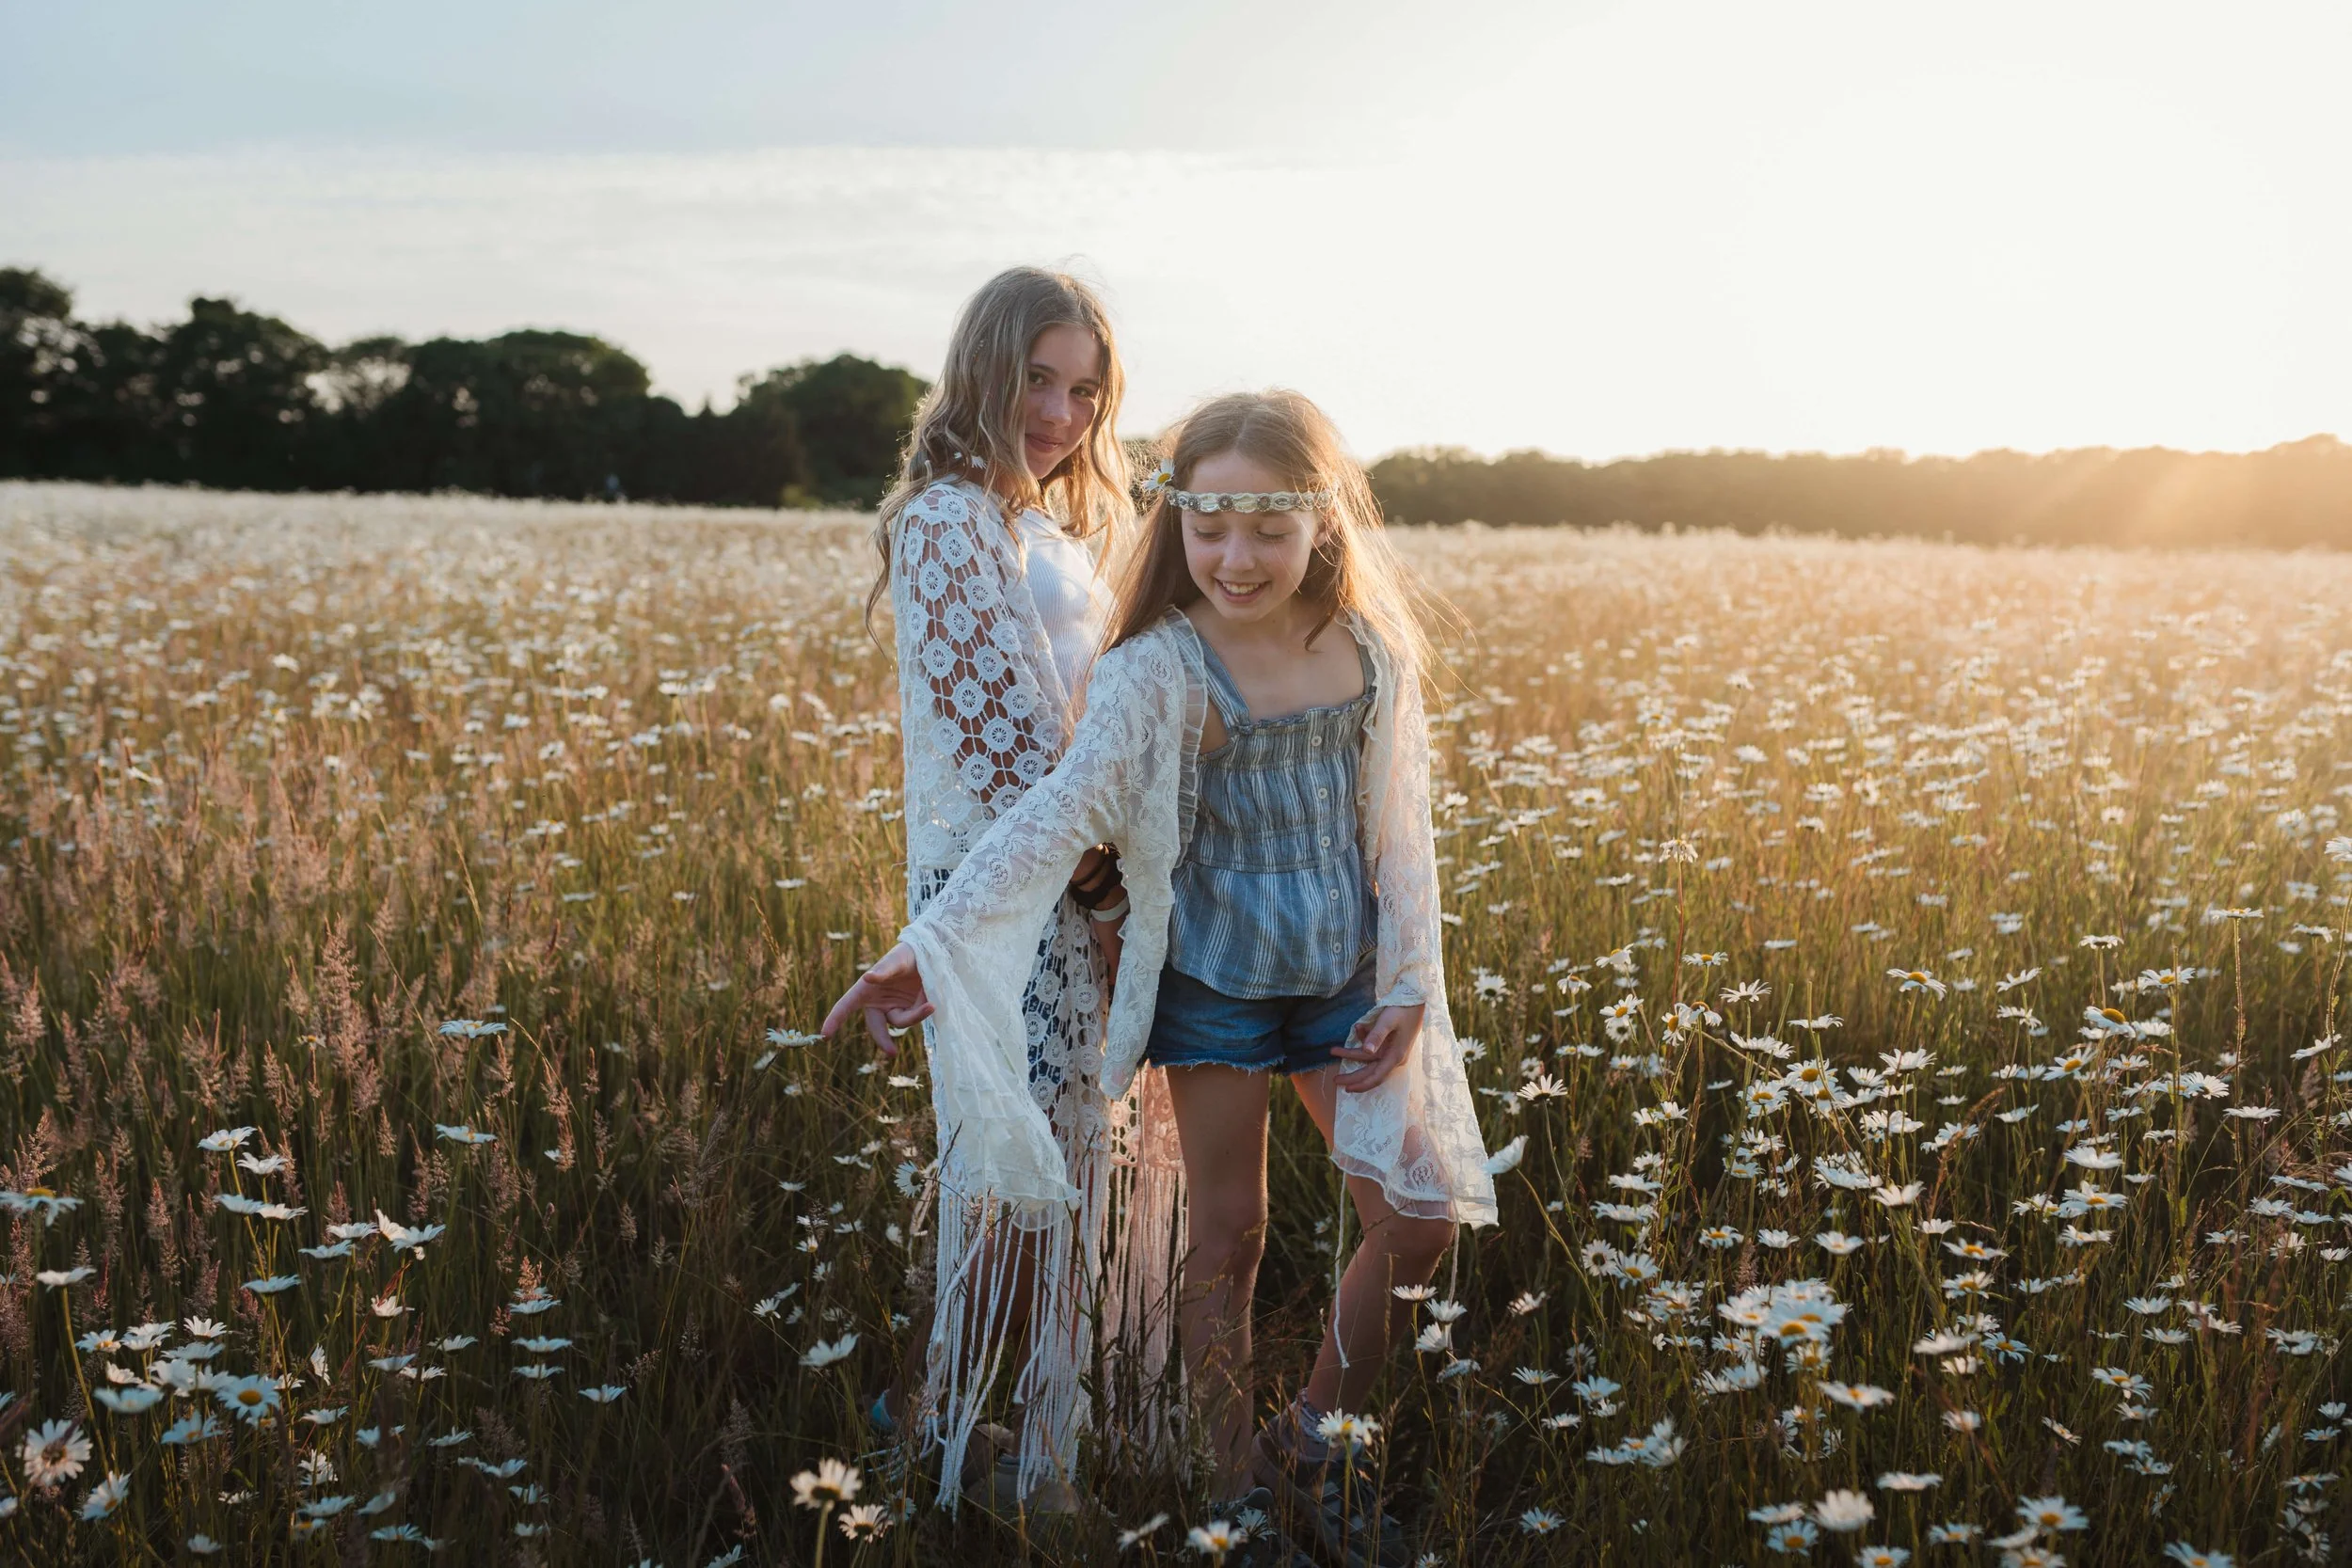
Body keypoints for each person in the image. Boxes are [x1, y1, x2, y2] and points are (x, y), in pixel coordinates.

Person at [825, 389, 1496, 1563]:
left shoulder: (1368, 651)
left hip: (1341, 983)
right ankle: (1233, 1482)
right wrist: (928, 946)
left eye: (1269, 528)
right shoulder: (1157, 667)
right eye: (1211, 525)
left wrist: (1406, 984)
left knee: (1420, 1210)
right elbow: (1059, 811)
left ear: (1324, 522)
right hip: (1217, 989)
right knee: (1228, 1234)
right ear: (1177, 519)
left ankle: (1310, 1441)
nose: (1237, 557)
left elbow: (1401, 830)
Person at [856, 265, 1180, 1514]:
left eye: (1085, 388)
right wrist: (1105, 900)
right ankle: (932, 1429)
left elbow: (1092, 723)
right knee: (1024, 1163)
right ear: (982, 369)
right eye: (1039, 378)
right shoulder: (945, 518)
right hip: (1012, 896)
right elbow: (1010, 743)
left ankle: (1005, 1437)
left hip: (1068, 881)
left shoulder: (1043, 528)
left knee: (1055, 1158)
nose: (1061, 410)